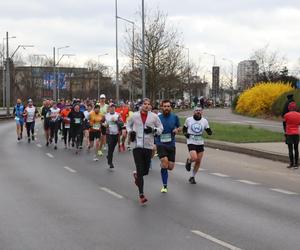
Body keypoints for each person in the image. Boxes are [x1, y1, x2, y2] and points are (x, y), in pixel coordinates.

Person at [126, 98, 163, 205]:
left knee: (145, 170)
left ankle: (137, 175)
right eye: (144, 104)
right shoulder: (134, 116)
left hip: (148, 146)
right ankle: (141, 195)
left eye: (148, 104)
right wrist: (130, 132)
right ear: (141, 105)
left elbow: (161, 128)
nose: (147, 106)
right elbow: (127, 124)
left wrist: (153, 130)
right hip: (137, 146)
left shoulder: (154, 117)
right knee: (140, 169)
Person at [156, 100, 180, 193]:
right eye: (164, 106)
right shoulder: (158, 118)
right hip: (160, 143)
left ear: (171, 107)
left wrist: (177, 129)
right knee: (165, 162)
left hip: (171, 144)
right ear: (162, 107)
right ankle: (164, 186)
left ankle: (163, 165)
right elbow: (153, 129)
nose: (166, 108)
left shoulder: (175, 117)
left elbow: (179, 127)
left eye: (168, 106)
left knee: (170, 167)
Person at [183, 106, 212, 184]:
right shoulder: (189, 120)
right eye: (196, 110)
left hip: (200, 142)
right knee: (194, 157)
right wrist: (186, 134)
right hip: (191, 141)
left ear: (202, 112)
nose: (198, 112)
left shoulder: (204, 121)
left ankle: (192, 177)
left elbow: (207, 129)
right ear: (194, 112)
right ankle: (189, 160)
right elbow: (184, 129)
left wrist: (209, 132)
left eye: (199, 110)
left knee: (198, 161)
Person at [105, 103, 123, 169]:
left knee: (112, 148)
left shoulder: (118, 115)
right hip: (109, 134)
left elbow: (122, 123)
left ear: (115, 108)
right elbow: (102, 122)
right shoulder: (106, 115)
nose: (112, 108)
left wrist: (116, 121)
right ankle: (110, 162)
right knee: (110, 147)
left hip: (116, 134)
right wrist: (104, 125)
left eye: (113, 107)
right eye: (111, 107)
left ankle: (108, 156)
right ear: (109, 108)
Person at [284, 102, 300, 169]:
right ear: (295, 107)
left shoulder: (286, 115)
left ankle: (291, 163)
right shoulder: (299, 115)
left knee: (290, 149)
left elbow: (285, 123)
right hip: (296, 133)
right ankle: (296, 164)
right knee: (296, 148)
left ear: (289, 108)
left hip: (289, 133)